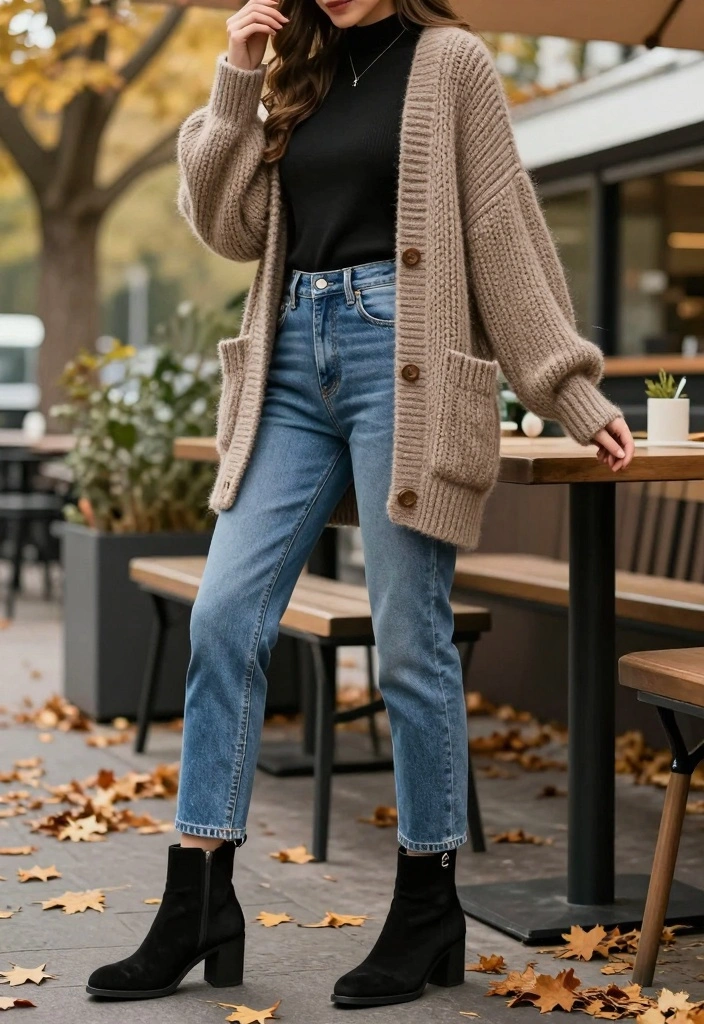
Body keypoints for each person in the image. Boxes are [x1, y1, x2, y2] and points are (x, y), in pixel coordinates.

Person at [86, 0, 635, 1008]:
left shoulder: (450, 62)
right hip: (289, 360)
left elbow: (499, 226)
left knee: (409, 639)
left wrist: (565, 383)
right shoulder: (293, 69)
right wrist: (236, 72)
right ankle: (198, 895)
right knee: (221, 616)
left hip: (404, 363)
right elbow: (227, 225)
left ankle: (424, 904)